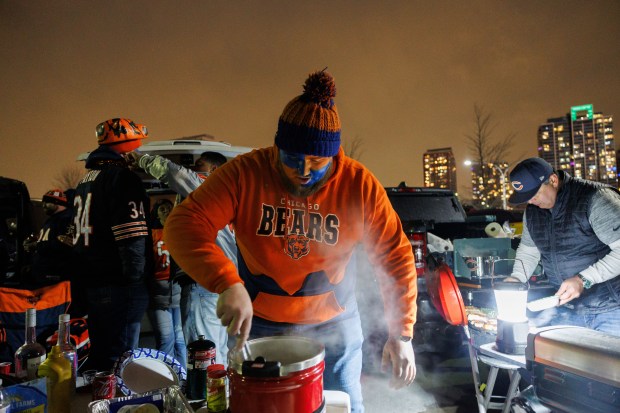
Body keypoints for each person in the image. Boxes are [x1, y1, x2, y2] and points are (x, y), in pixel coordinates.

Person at [164, 69, 417, 412]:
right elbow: (183, 225)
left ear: (334, 153)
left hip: (336, 322)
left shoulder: (359, 185)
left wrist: (401, 334)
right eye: (293, 159)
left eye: (317, 161)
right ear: (277, 146)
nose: (305, 170)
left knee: (344, 404)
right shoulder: (245, 173)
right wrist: (226, 282)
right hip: (261, 322)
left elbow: (394, 257)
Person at [127, 150, 236, 366]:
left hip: (204, 284)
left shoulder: (207, 187)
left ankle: (206, 399)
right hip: (227, 285)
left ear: (214, 170)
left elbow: (175, 174)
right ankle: (222, 397)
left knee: (203, 355)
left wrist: (142, 159)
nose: (194, 168)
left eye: (200, 164)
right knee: (219, 353)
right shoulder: (230, 198)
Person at [72, 118, 152, 370]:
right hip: (117, 282)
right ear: (128, 148)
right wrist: (136, 279)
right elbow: (132, 235)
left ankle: (98, 403)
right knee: (121, 359)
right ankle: (119, 407)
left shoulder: (85, 181)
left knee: (102, 351)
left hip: (91, 279)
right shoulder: (122, 179)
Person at [508, 157, 620, 336]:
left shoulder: (595, 199)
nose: (530, 201)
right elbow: (529, 250)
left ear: (553, 180)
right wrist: (517, 278)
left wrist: (584, 279)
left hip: (612, 310)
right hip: (567, 311)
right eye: (526, 197)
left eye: (534, 194)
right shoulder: (532, 211)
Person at [147, 198, 187, 368]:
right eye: (161, 208)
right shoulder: (151, 234)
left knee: (180, 338)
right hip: (158, 294)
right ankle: (167, 377)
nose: (165, 211)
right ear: (155, 213)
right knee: (166, 337)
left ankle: (184, 375)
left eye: (168, 208)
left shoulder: (179, 231)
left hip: (178, 292)